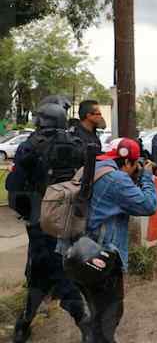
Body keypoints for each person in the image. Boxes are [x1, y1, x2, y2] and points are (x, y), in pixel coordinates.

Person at [6, 99, 89, 343]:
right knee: (46, 270)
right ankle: (24, 322)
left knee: (52, 271)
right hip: (71, 220)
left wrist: (26, 212)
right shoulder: (77, 144)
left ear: (43, 121)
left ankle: (85, 323)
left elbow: (13, 187)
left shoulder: (30, 145)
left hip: (40, 220)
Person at [86, 138, 157, 342]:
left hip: (79, 251)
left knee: (97, 308)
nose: (136, 168)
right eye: (135, 164)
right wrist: (146, 177)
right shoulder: (117, 179)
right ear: (127, 163)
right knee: (112, 308)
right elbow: (149, 205)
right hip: (103, 254)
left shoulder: (94, 167)